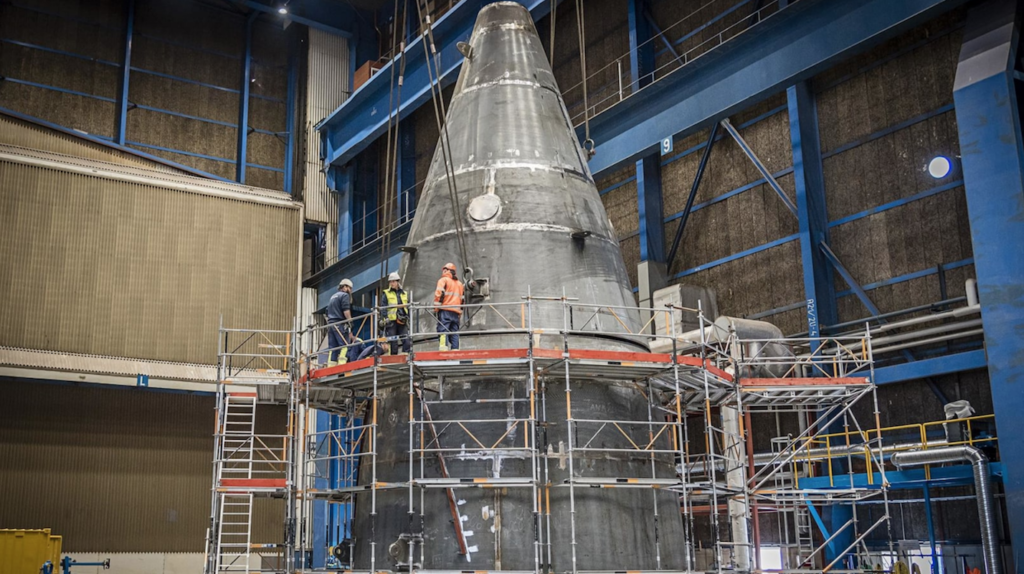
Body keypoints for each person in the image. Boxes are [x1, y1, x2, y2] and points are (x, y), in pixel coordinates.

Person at [433, 262, 464, 351]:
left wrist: (436, 309)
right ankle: (455, 351)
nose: (443, 271)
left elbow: (438, 295)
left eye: (445, 270)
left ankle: (443, 350)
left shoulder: (443, 280)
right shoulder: (460, 284)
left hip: (445, 310)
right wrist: (460, 312)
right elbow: (462, 300)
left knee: (443, 330)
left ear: (448, 271)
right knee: (454, 332)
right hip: (456, 313)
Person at [380, 272, 412, 354]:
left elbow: (407, 307)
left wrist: (408, 317)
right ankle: (393, 358)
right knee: (393, 342)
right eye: (390, 282)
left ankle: (405, 356)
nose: (392, 283)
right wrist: (385, 318)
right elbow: (383, 307)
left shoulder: (404, 293)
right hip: (391, 321)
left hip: (402, 320)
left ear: (398, 282)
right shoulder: (386, 293)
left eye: (393, 281)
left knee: (406, 340)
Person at [326, 278, 354, 365]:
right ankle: (342, 365)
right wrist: (350, 321)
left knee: (333, 348)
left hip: (331, 324)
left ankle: (331, 367)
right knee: (345, 345)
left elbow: (327, 311)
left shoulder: (332, 297)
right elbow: (346, 310)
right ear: (345, 287)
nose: (350, 291)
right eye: (349, 288)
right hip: (339, 323)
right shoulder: (344, 295)